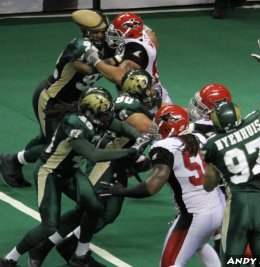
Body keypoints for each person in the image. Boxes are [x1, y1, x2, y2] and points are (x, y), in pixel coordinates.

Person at [0, 87, 151, 267]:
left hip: (71, 172)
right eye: (103, 114)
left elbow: (119, 125)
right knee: (49, 225)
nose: (107, 117)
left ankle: (80, 256)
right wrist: (129, 151)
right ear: (90, 112)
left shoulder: (94, 115)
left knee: (95, 207)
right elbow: (93, 155)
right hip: (50, 173)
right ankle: (10, 258)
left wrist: (139, 136)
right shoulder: (74, 123)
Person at [99, 105, 224, 267]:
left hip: (194, 216)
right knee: (198, 244)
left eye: (158, 124)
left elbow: (151, 187)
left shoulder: (164, 147)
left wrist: (120, 191)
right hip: (217, 207)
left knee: (170, 263)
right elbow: (180, 160)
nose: (155, 128)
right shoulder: (200, 138)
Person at [0, 9, 112, 187]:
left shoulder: (105, 46)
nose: (100, 35)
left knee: (47, 138)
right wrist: (117, 59)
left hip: (72, 101)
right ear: (86, 32)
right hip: (51, 99)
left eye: (102, 31)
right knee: (55, 144)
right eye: (95, 32)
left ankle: (17, 160)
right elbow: (90, 69)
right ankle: (11, 160)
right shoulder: (80, 45)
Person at [202, 36, 260, 266]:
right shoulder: (257, 123)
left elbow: (208, 184)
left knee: (231, 260)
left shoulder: (213, 144)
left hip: (237, 204)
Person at [83, 12, 173, 104]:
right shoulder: (142, 34)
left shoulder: (136, 47)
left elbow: (119, 77)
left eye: (117, 33)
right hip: (150, 94)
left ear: (129, 33)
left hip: (149, 103)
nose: (112, 35)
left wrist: (96, 61)